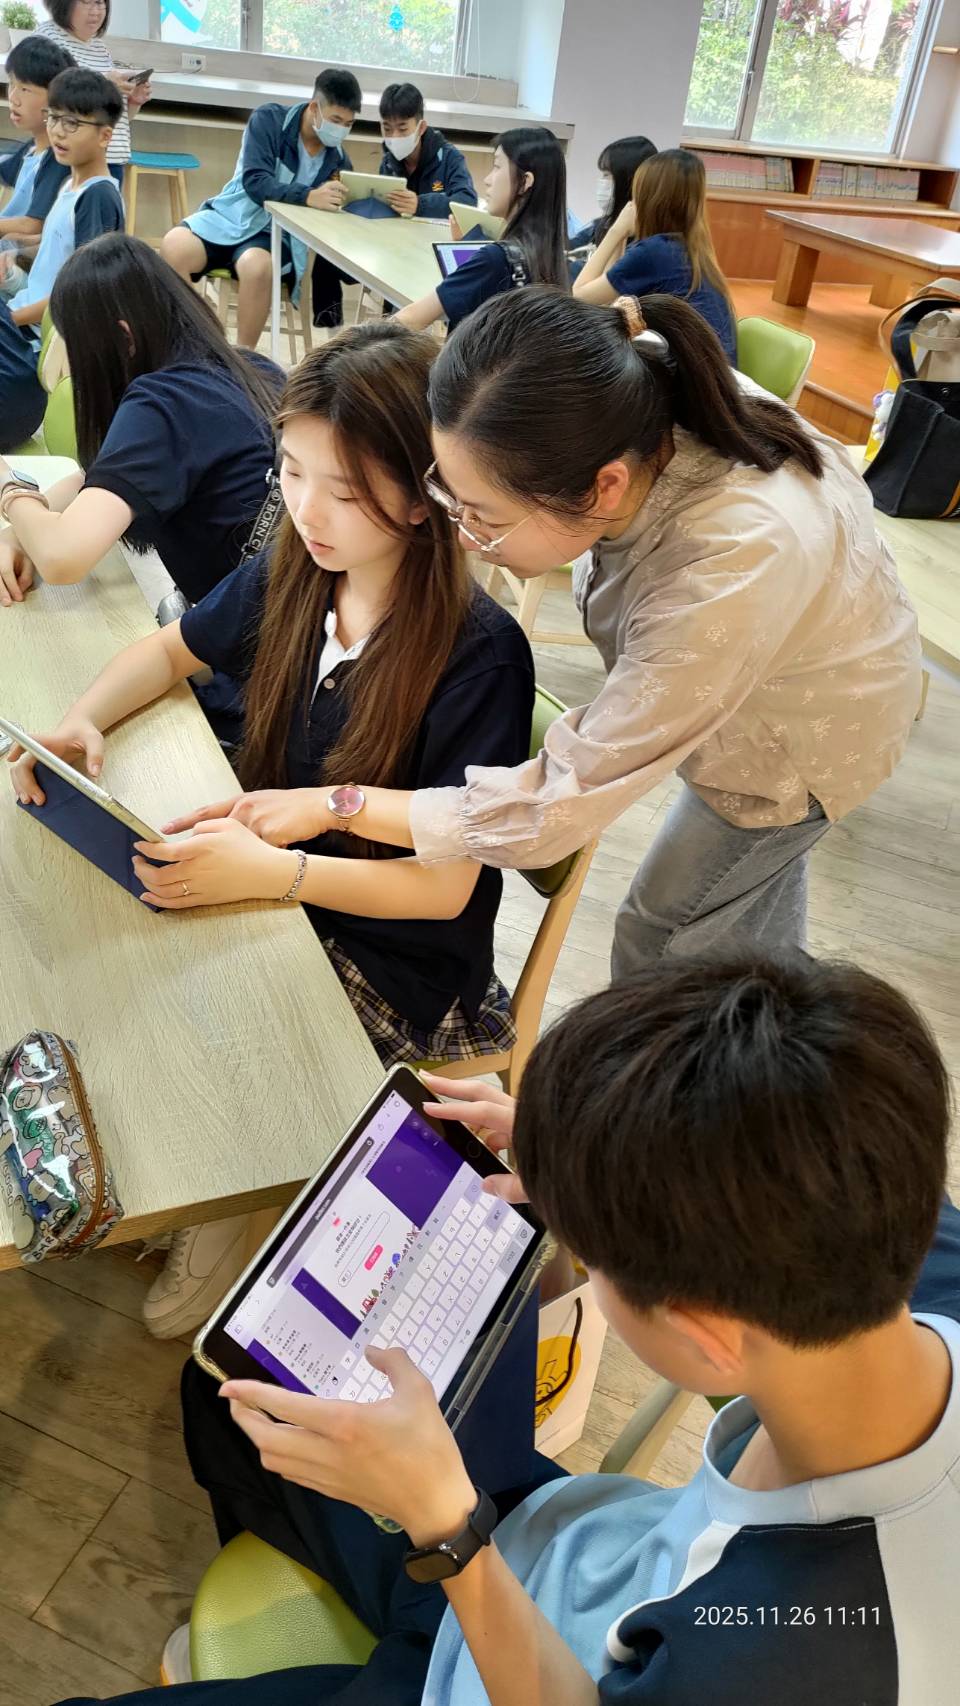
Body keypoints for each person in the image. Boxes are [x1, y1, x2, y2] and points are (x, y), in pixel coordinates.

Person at [56, 953, 960, 1705]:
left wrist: (448, 1532)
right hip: (553, 1540)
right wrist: (588, 1150)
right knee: (234, 1390)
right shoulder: (896, 1223)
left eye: (591, 1254)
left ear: (708, 1337)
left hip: (499, 1641)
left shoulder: (782, 1655)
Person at [8, 319, 534, 1337]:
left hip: (394, 952)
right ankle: (203, 1167)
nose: (307, 509)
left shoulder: (480, 653)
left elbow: (445, 891)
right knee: (117, 943)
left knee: (187, 992)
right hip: (281, 881)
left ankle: (238, 1197)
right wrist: (83, 717)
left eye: (345, 489)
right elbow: (171, 650)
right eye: (292, 473)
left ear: (423, 494)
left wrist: (273, 876)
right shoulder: (299, 568)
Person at [247, 285, 920, 976]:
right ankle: (782, 1012)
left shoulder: (726, 569)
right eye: (448, 496)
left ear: (604, 487)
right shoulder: (620, 385)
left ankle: (751, 1034)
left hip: (806, 733)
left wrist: (340, 805)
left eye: (485, 516)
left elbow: (553, 808)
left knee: (665, 942)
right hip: (785, 645)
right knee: (746, 919)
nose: (465, 538)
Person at [0, 234, 282, 610]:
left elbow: (61, 559)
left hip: (250, 634)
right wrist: (21, 533)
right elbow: (99, 479)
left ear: (124, 338)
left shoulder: (163, 403)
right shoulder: (253, 369)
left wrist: (10, 490)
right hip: (295, 617)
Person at [160, 68, 363, 346]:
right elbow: (256, 181)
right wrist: (308, 196)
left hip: (275, 235)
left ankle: (244, 358)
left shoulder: (337, 160)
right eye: (335, 120)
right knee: (174, 245)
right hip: (230, 216)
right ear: (314, 107)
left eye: (348, 124)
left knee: (257, 267)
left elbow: (335, 214)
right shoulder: (269, 120)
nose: (340, 130)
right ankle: (193, 344)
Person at [0, 67, 123, 452]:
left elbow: (83, 294)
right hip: (23, 318)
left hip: (37, 340)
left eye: (72, 123)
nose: (57, 132)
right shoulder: (73, 184)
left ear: (105, 135)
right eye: (53, 118)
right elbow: (59, 248)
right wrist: (17, 257)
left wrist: (13, 318)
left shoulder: (98, 197)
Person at [396, 127, 568, 334]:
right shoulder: (554, 258)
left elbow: (411, 319)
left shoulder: (496, 259)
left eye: (497, 167)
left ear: (525, 182)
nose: (487, 179)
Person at [574, 148, 737, 362]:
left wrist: (616, 231)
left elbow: (581, 296)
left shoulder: (656, 252)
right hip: (713, 370)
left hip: (692, 375)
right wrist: (622, 236)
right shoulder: (687, 247)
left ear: (649, 198)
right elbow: (610, 297)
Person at [36, 0, 152, 184]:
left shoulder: (99, 48)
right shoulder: (48, 37)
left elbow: (110, 118)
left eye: (100, 2)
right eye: (87, 2)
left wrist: (133, 102)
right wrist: (104, 83)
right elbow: (48, 99)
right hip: (70, 160)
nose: (95, 11)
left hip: (111, 159)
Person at [0, 33, 76, 281]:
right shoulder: (32, 148)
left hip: (23, 266)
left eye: (25, 89)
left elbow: (34, 224)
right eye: (11, 84)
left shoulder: (56, 158)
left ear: (56, 99)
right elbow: (4, 170)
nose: (13, 97)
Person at [376, 81, 477, 219]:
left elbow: (468, 201)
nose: (394, 137)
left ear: (421, 128)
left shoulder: (449, 157)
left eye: (403, 129)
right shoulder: (388, 162)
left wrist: (421, 205)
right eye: (387, 129)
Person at [566, 133, 658, 252]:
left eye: (606, 175)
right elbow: (565, 249)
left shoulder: (647, 244)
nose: (601, 181)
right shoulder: (601, 226)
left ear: (628, 181)